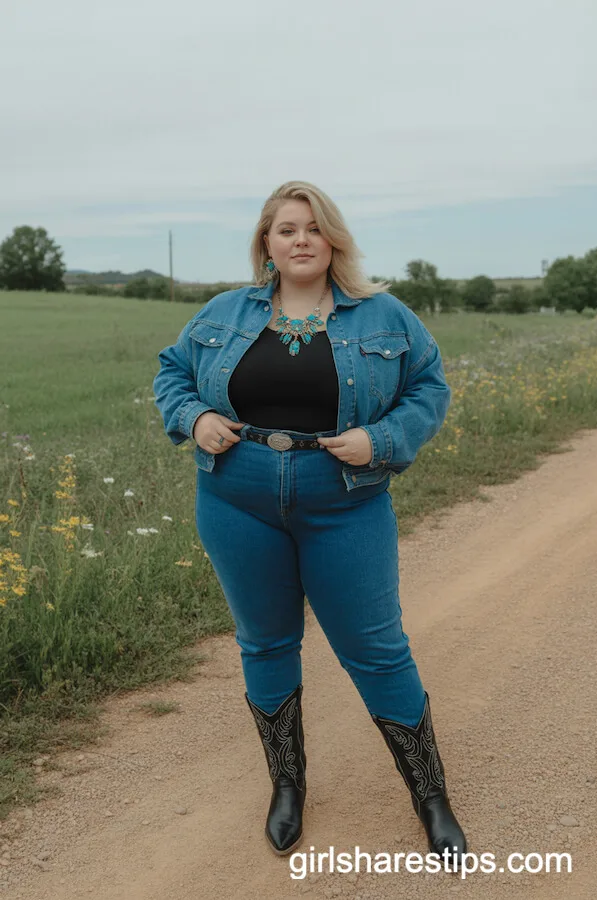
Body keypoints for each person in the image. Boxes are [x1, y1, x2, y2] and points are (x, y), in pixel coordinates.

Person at [153, 181, 467, 861]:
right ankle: (287, 787)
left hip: (345, 499)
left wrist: (381, 441)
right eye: (286, 229)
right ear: (266, 243)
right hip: (237, 499)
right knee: (264, 643)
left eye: (313, 229)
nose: (300, 240)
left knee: (378, 649)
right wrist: (196, 417)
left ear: (333, 241)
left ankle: (431, 795)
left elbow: (430, 387)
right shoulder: (224, 313)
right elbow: (172, 374)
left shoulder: (384, 317)